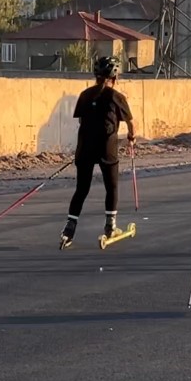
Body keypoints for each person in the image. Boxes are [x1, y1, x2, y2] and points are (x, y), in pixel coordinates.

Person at [59, 56, 135, 250]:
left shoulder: (85, 95)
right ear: (115, 77)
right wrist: (131, 137)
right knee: (112, 187)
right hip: (106, 147)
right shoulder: (116, 96)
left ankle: (69, 229)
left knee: (81, 189)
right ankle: (110, 227)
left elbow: (81, 121)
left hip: (85, 147)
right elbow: (130, 122)